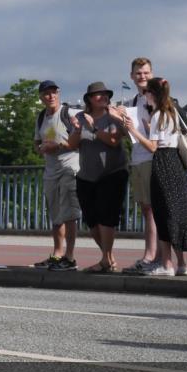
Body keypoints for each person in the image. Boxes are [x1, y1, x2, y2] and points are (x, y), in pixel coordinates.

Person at [120, 78, 187, 276]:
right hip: (175, 164)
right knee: (175, 212)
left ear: (152, 94)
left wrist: (133, 129)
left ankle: (166, 264)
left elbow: (153, 147)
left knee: (162, 214)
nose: (145, 97)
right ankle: (181, 264)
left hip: (161, 164)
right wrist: (146, 125)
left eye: (146, 93)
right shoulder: (172, 112)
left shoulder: (158, 114)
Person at [67, 82, 128, 273]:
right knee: (92, 220)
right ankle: (107, 257)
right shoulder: (79, 117)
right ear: (89, 100)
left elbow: (113, 140)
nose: (102, 97)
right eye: (97, 95)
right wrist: (77, 130)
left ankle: (105, 259)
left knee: (106, 217)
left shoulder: (114, 116)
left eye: (105, 95)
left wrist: (93, 128)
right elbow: (72, 145)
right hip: (86, 175)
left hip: (112, 173)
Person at [32, 80, 79, 271]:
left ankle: (70, 256)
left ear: (59, 94)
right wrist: (40, 149)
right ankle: (57, 253)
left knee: (69, 213)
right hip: (50, 171)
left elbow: (78, 142)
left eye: (54, 93)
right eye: (46, 94)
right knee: (55, 214)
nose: (50, 96)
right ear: (41, 97)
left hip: (69, 168)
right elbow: (36, 142)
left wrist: (57, 146)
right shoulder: (42, 117)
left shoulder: (69, 114)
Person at [121, 57, 159, 275]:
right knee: (146, 209)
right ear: (132, 76)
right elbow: (133, 133)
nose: (142, 76)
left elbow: (157, 130)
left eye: (145, 72)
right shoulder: (135, 100)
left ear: (151, 73)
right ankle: (151, 254)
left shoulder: (155, 98)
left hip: (152, 159)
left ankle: (152, 256)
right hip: (138, 158)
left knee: (153, 209)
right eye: (138, 73)